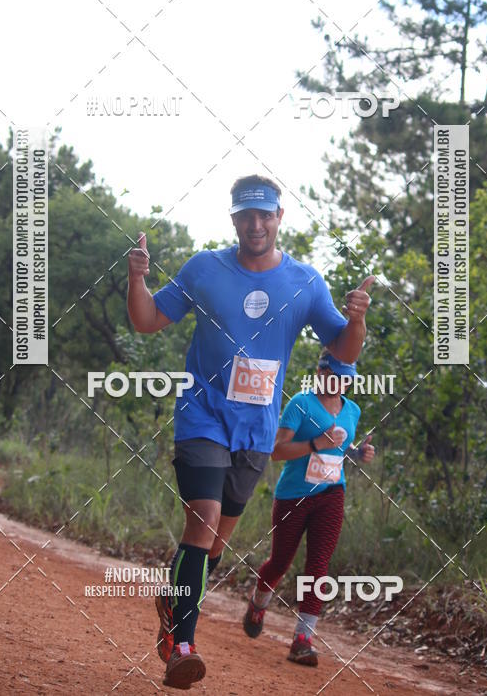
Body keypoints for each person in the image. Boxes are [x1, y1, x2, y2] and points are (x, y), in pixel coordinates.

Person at [127, 174, 374, 689]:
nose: (256, 223)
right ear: (234, 219)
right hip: (202, 417)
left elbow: (345, 352)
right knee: (205, 519)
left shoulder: (305, 283)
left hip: (257, 432)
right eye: (246, 214)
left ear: (280, 217)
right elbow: (148, 320)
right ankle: (183, 648)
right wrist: (137, 279)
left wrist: (356, 320)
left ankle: (175, 597)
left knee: (215, 544)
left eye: (266, 214)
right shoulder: (204, 269)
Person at [242, 349, 375, 665]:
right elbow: (277, 451)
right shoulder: (300, 404)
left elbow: (342, 445)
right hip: (293, 496)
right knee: (280, 562)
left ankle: (303, 639)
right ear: (321, 373)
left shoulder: (352, 410)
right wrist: (317, 443)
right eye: (336, 376)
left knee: (318, 565)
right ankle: (259, 601)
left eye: (347, 379)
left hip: (331, 494)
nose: (340, 383)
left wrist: (357, 454)